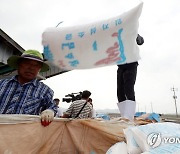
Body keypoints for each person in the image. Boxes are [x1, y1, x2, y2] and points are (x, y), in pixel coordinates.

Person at [0, 49, 57, 127]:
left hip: (24, 134)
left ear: (39, 69)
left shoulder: (45, 91)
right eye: (27, 63)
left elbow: (52, 106)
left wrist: (50, 111)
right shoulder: (2, 84)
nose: (31, 68)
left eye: (36, 65)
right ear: (19, 64)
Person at [117, 34, 144, 121]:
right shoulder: (117, 35)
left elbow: (141, 41)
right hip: (121, 66)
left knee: (129, 89)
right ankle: (124, 115)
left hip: (131, 64)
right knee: (120, 91)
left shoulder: (131, 30)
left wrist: (134, 34)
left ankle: (129, 116)